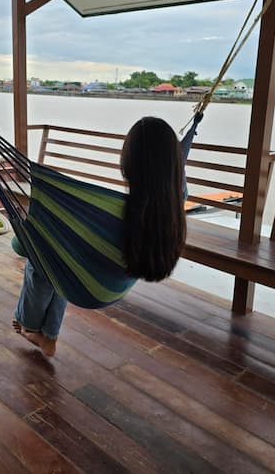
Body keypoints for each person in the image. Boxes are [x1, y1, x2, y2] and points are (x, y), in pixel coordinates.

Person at [12, 114, 201, 357]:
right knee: (60, 251)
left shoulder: (114, 213)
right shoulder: (174, 201)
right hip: (117, 285)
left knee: (45, 257)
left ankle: (30, 325)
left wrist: (29, 233)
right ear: (175, 164)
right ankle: (48, 336)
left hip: (95, 290)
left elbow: (20, 247)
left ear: (128, 164)